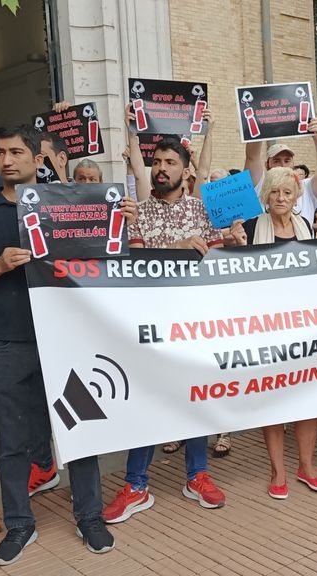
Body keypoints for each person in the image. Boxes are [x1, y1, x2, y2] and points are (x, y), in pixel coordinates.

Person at [0, 125, 125, 564]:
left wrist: (121, 224)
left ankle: (89, 518)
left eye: (15, 152)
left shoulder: (69, 204)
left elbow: (107, 261)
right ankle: (19, 524)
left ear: (38, 158)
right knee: (11, 439)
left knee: (79, 431)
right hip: (6, 341)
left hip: (66, 336)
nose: (7, 160)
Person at [106, 136, 228, 523]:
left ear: (185, 169)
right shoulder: (136, 212)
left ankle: (197, 475)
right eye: (156, 161)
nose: (161, 168)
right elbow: (134, 262)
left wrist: (233, 243)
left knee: (195, 399)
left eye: (170, 162)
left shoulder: (206, 210)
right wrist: (178, 246)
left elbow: (220, 260)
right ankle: (136, 484)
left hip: (196, 322)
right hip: (149, 322)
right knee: (146, 401)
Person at [226, 168, 317, 500]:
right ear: (265, 196)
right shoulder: (254, 228)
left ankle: (306, 467)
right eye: (274, 193)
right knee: (274, 400)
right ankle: (278, 471)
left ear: (296, 198)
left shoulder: (306, 226)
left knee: (307, 400)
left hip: (303, 325)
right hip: (266, 329)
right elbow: (238, 275)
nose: (280, 198)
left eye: (287, 193)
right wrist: (238, 247)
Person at [244, 117, 317, 225]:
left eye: (287, 161)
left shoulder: (306, 188)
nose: (282, 165)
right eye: (276, 161)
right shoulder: (259, 186)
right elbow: (252, 157)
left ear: (293, 163)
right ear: (267, 165)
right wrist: (258, 126)